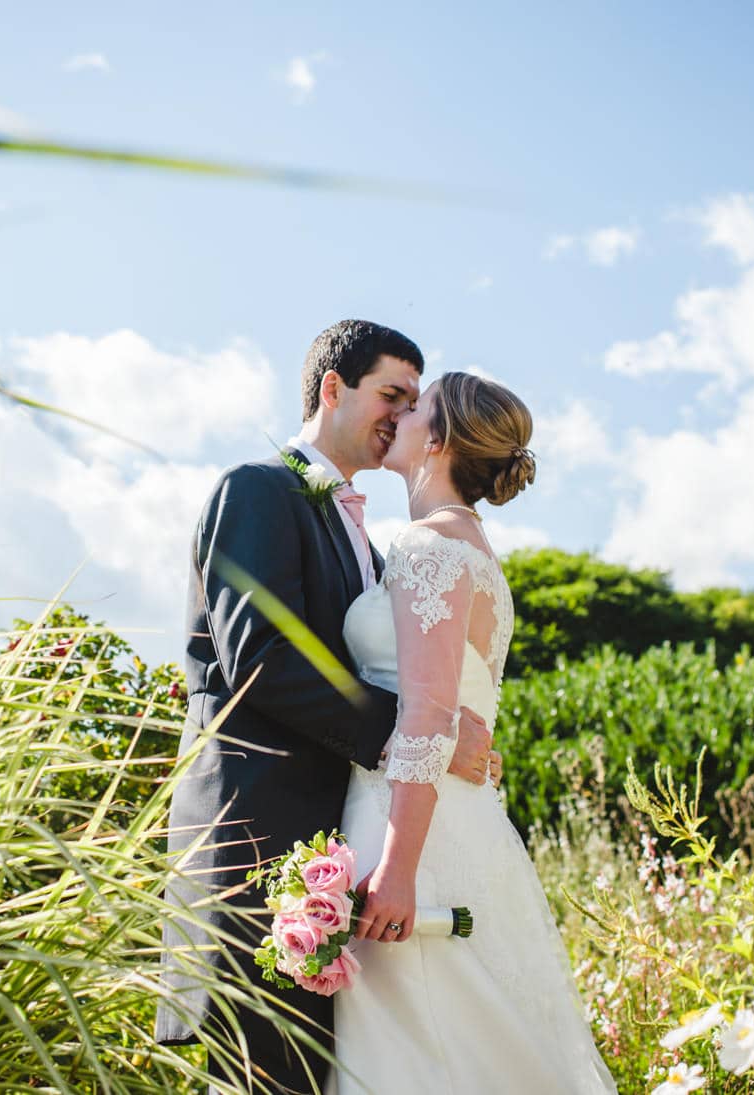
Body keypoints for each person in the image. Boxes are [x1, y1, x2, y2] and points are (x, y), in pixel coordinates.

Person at [155, 320, 500, 1094]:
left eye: (415, 400)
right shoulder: (255, 489)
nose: (405, 414)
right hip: (252, 842)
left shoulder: (372, 544)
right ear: (332, 387)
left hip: (327, 856)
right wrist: (426, 735)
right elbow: (261, 663)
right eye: (392, 394)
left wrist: (442, 721)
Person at [332, 371, 614, 1094]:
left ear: (442, 437)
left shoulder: (430, 547)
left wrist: (395, 870)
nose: (400, 414)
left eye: (416, 405)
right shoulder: (474, 550)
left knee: (413, 1054)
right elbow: (463, 713)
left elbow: (427, 714)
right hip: (462, 821)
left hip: (408, 834)